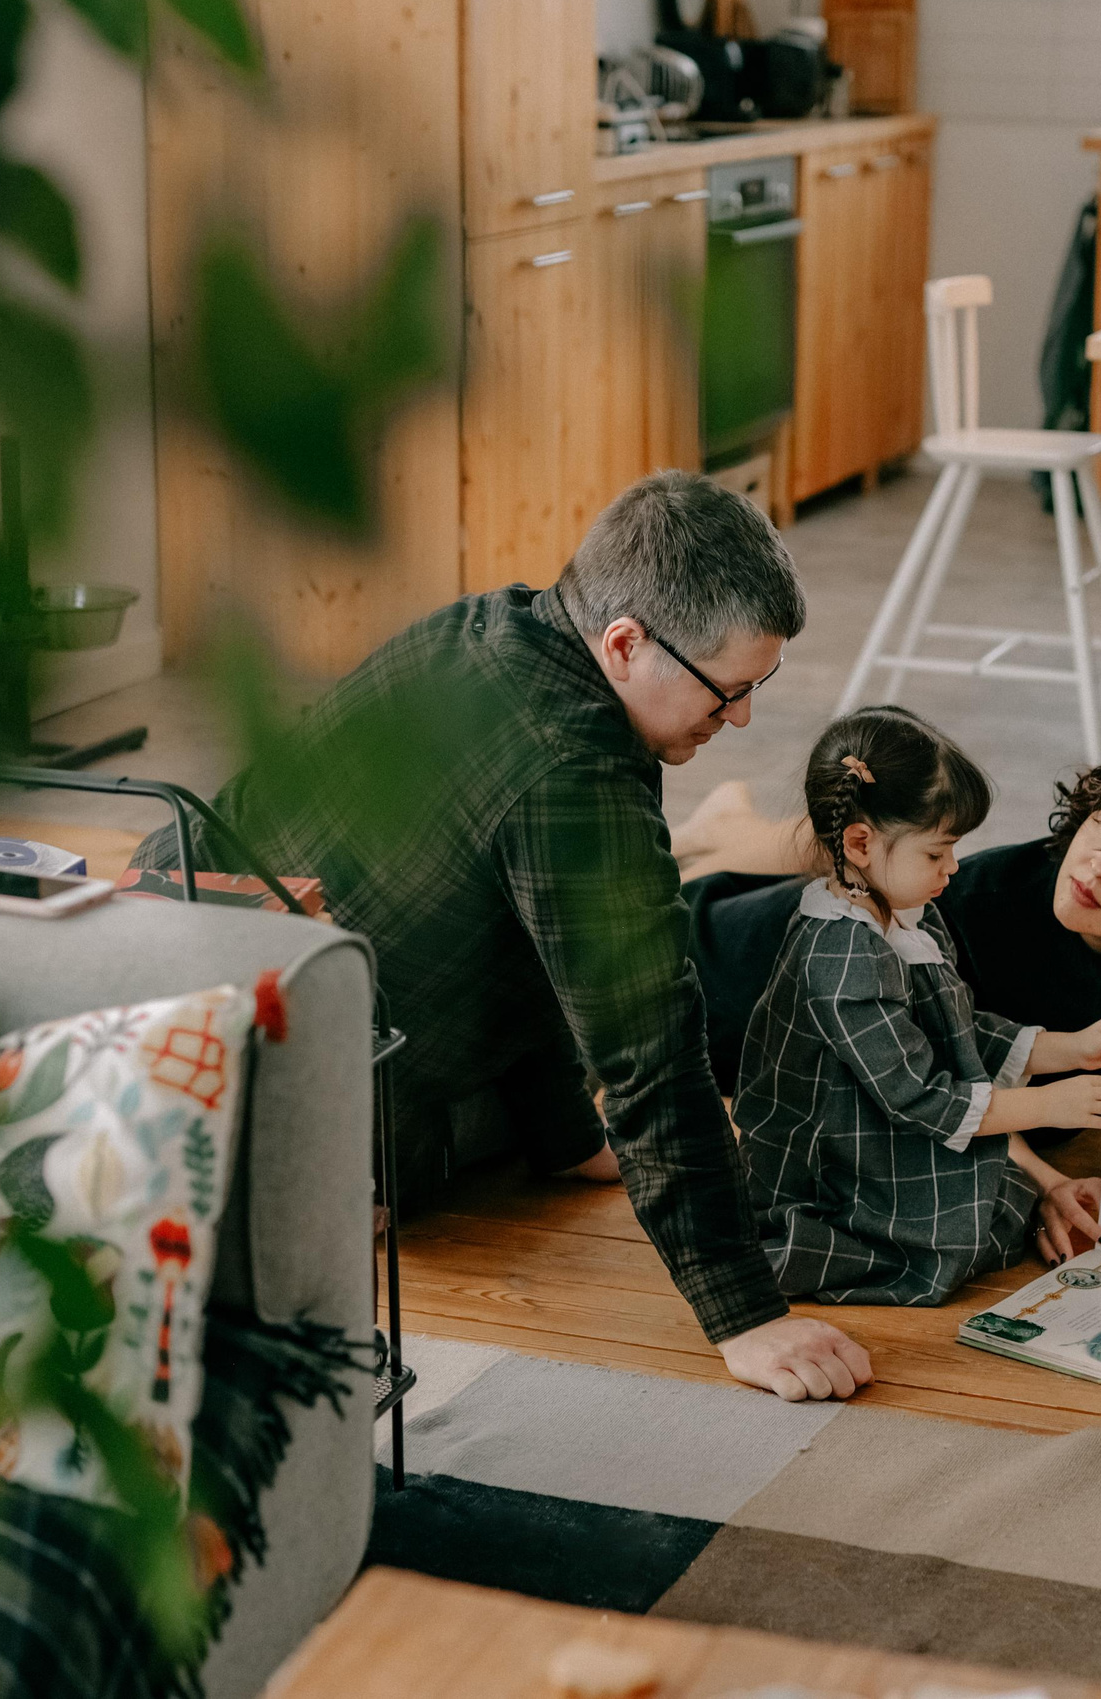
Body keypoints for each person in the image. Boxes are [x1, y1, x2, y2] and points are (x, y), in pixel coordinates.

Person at [132, 471, 872, 1403]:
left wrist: (570, 1136)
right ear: (624, 643)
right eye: (726, 694)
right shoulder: (574, 770)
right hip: (276, 1095)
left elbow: (521, 934)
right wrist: (747, 1312)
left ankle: (547, 1137)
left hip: (172, 949)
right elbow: (651, 1049)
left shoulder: (498, 623)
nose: (743, 717)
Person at [735, 708, 1101, 1304]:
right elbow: (917, 1094)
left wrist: (1072, 1048)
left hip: (879, 1131)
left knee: (989, 1203)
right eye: (937, 853)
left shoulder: (909, 916)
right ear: (860, 843)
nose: (953, 868)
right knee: (949, 1241)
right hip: (836, 1162)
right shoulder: (843, 955)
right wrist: (1048, 1102)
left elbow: (958, 1029)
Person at [687, 735, 1101, 1095]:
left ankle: (725, 827)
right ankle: (719, 835)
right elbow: (919, 1090)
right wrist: (1039, 1186)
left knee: (873, 864)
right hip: (724, 976)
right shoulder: (985, 908)